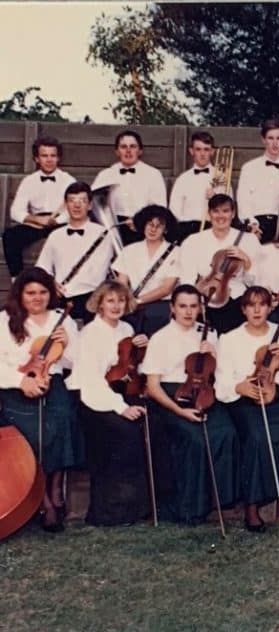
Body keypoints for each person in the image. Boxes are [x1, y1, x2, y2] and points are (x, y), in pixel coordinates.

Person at [141, 284, 239, 525]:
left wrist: (214, 355)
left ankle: (215, 501)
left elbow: (217, 374)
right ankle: (188, 507)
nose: (188, 312)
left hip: (203, 393)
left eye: (193, 306)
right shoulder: (160, 338)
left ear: (200, 308)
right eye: (182, 306)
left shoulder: (208, 333)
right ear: (172, 308)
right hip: (170, 397)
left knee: (226, 433)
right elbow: (152, 387)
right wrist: (181, 412)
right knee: (194, 440)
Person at [0, 267, 80, 532]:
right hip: (15, 384)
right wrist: (21, 381)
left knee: (62, 422)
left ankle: (56, 489)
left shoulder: (62, 319)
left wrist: (68, 345)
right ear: (20, 294)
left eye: (43, 292)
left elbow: (75, 362)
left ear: (51, 294)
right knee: (33, 434)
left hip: (53, 381)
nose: (37, 298)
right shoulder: (5, 319)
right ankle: (43, 499)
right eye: (30, 292)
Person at [68, 281, 153, 526]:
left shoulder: (126, 328)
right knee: (125, 434)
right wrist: (122, 408)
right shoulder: (90, 334)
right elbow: (92, 381)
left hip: (119, 391)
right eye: (110, 300)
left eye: (121, 300)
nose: (116, 306)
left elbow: (128, 369)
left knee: (151, 425)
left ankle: (137, 508)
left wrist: (142, 350)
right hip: (93, 397)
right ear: (100, 304)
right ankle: (108, 513)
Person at [214, 286, 279, 533]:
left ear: (270, 307)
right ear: (243, 310)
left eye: (262, 304)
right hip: (245, 395)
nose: (257, 310)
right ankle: (252, 506)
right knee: (256, 436)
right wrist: (239, 387)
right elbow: (222, 381)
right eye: (251, 305)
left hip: (278, 392)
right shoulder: (228, 339)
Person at [177, 194, 260, 334]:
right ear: (209, 214)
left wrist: (246, 260)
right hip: (204, 298)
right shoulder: (193, 240)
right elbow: (187, 278)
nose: (220, 216)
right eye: (215, 211)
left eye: (226, 211)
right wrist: (194, 303)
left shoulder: (249, 240)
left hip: (237, 299)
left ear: (233, 214)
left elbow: (254, 283)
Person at [35, 182, 114, 321]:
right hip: (60, 296)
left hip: (90, 297)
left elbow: (98, 272)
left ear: (90, 205)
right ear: (66, 205)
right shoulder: (55, 235)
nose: (77, 205)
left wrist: (69, 290)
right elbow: (42, 267)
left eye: (82, 201)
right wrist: (52, 283)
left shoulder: (103, 234)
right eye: (72, 201)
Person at [2, 136, 74, 277]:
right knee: (10, 236)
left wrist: (56, 221)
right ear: (36, 159)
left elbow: (73, 209)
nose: (49, 160)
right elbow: (15, 211)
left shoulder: (68, 180)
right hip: (36, 223)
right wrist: (35, 220)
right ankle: (18, 279)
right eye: (44, 155)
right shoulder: (29, 181)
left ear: (58, 158)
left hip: (61, 222)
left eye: (53, 155)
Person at [111, 204, 180, 337]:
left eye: (158, 225)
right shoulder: (129, 250)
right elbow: (122, 282)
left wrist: (137, 301)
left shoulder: (176, 252)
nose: (153, 229)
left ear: (165, 229)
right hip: (131, 308)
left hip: (161, 309)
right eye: (149, 224)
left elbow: (166, 288)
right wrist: (124, 300)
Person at [92, 130, 167, 247]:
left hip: (142, 228)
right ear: (117, 151)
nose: (128, 150)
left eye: (133, 146)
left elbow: (159, 207)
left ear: (140, 151)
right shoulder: (105, 175)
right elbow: (92, 202)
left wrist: (140, 221)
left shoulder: (153, 174)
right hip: (113, 229)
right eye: (123, 147)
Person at [236, 118, 279, 243]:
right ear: (263, 140)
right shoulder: (249, 168)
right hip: (256, 226)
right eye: (270, 138)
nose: (275, 143)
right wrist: (252, 224)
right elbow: (243, 200)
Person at [168, 131, 218, 242]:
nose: (202, 154)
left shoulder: (221, 178)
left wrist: (216, 198)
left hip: (213, 230)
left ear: (212, 152)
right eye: (198, 149)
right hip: (187, 231)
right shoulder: (182, 179)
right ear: (191, 151)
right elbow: (174, 211)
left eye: (206, 149)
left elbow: (227, 210)